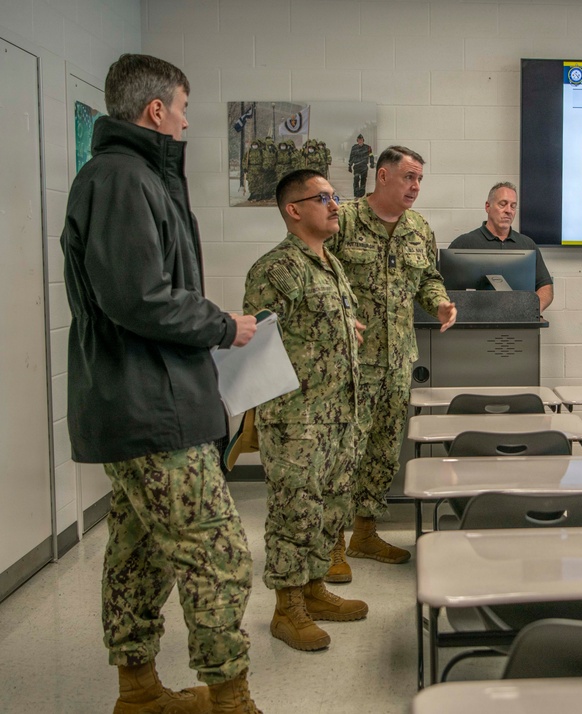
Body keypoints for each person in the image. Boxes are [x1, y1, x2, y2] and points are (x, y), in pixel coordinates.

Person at [60, 54, 262, 713]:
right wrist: (220, 325)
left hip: (142, 398)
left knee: (139, 552)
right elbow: (138, 297)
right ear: (156, 110)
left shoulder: (129, 174)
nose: (185, 121)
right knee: (216, 553)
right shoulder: (123, 178)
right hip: (148, 402)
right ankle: (231, 700)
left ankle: (139, 692)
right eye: (182, 108)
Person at [243, 169, 369, 651]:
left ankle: (315, 590)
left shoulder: (328, 264)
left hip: (338, 413)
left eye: (335, 196)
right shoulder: (277, 269)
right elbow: (258, 346)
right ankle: (287, 609)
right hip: (297, 418)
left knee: (329, 508)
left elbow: (314, 327)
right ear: (293, 210)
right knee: (294, 512)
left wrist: (346, 329)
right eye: (323, 198)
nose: (336, 205)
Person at [328, 146, 457, 571]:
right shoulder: (343, 220)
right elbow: (317, 274)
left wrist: (439, 303)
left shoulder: (418, 228)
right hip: (349, 363)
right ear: (382, 176)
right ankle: (330, 545)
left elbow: (429, 279)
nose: (415, 187)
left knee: (383, 452)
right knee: (343, 452)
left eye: (419, 179)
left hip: (397, 361)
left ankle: (364, 534)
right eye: (408, 177)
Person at [450, 181, 554, 313]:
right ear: (488, 206)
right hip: (475, 322)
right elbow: (439, 286)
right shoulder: (464, 244)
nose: (508, 211)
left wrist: (532, 311)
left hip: (519, 321)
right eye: (503, 204)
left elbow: (545, 286)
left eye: (513, 206)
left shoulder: (527, 245)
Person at [348, 134, 374, 198]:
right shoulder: (354, 147)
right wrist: (350, 165)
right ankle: (356, 193)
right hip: (357, 166)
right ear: (357, 140)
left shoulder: (368, 147)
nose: (360, 141)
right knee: (356, 179)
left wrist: (372, 163)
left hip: (364, 166)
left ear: (363, 140)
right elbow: (351, 156)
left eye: (361, 140)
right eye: (359, 140)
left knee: (363, 180)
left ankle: (361, 194)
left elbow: (371, 155)